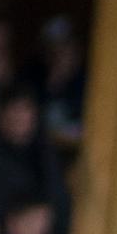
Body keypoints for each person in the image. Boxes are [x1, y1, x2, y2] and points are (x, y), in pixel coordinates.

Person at [0, 87, 69, 233]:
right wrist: (20, 220)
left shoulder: (44, 149)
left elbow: (59, 196)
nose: (20, 117)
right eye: (14, 110)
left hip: (45, 232)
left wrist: (45, 219)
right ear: (0, 115)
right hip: (4, 233)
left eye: (25, 110)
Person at [25, 16, 87, 146]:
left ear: (77, 48)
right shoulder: (34, 77)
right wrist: (54, 83)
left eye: (65, 46)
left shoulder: (90, 80)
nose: (60, 54)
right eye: (53, 48)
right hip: (41, 148)